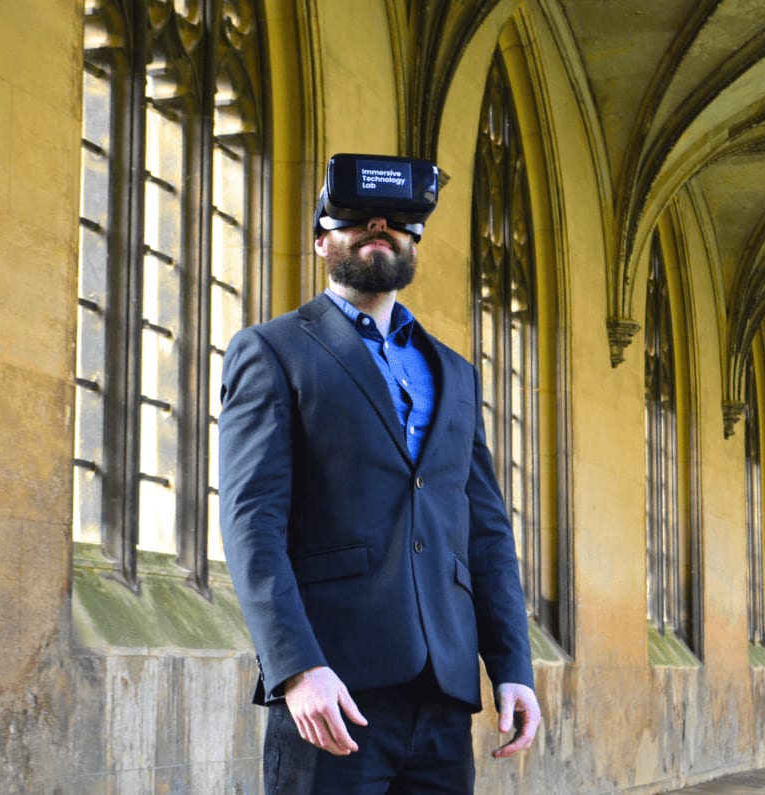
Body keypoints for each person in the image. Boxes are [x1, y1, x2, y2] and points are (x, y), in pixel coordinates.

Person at [219, 153, 540, 794]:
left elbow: (483, 530)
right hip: (332, 689)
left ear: (414, 241)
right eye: (356, 219)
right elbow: (251, 522)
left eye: (396, 221)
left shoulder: (455, 372)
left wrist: (512, 665)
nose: (378, 229)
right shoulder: (274, 350)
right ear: (320, 242)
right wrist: (296, 667)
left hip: (444, 694)